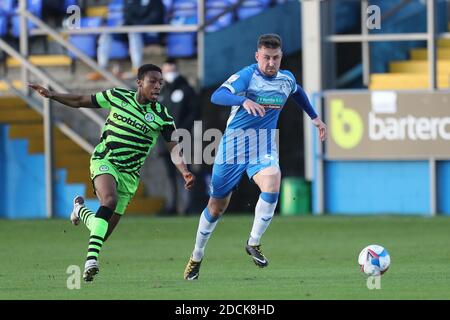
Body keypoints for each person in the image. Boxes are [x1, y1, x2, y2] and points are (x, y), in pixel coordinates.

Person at [29, 63, 195, 282]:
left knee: (101, 232)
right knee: (109, 200)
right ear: (139, 83)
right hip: (105, 160)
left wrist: (184, 171)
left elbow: (174, 146)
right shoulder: (117, 96)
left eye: (160, 83)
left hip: (129, 175)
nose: (157, 86)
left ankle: (80, 210)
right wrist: (51, 95)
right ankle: (90, 262)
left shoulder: (162, 116)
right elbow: (80, 101)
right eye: (152, 81)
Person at [183, 34, 327, 280]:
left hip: (263, 147)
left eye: (276, 58)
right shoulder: (248, 76)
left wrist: (315, 117)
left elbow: (298, 92)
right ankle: (196, 256)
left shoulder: (286, 79)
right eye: (266, 58)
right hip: (233, 147)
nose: (271, 63)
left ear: (281, 57)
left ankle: (253, 242)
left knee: (272, 182)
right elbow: (217, 95)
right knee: (216, 207)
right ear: (257, 56)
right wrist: (243, 100)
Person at [158, 58, 199, 215]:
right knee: (169, 175)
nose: (170, 74)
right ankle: (173, 205)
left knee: (185, 172)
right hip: (164, 141)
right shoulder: (160, 91)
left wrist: (181, 130)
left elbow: (194, 112)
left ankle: (189, 205)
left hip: (182, 139)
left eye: (172, 70)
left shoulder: (186, 90)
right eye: (167, 71)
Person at [87, 0, 165, 81]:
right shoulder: (132, 2)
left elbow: (155, 18)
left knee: (133, 31)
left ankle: (136, 67)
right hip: (131, 30)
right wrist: (128, 25)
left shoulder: (156, 2)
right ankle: (101, 68)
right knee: (107, 33)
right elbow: (127, 16)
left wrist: (137, 25)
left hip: (150, 32)